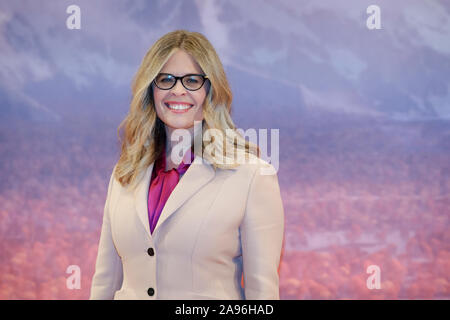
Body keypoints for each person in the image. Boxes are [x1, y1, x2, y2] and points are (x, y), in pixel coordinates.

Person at [89, 30, 284, 300]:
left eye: (192, 80)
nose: (178, 90)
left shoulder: (252, 176)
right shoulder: (124, 173)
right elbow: (105, 282)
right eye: (166, 79)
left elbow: (262, 294)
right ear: (151, 90)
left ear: (210, 90)